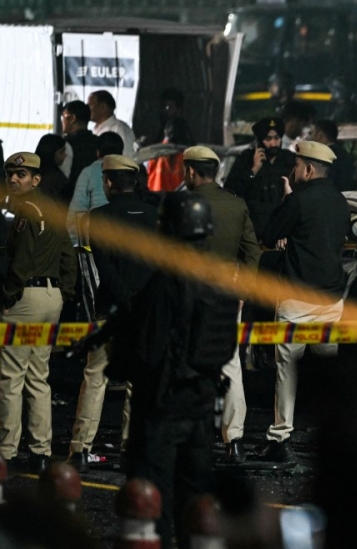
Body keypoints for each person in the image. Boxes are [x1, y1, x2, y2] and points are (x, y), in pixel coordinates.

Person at [111, 191, 238, 549]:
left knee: (153, 501)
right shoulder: (217, 280)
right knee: (195, 502)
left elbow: (147, 351)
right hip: (201, 405)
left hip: (162, 408)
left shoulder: (165, 283)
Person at [256, 141, 351, 462]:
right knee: (329, 372)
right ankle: (336, 435)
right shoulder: (340, 202)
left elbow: (269, 236)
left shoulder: (298, 201)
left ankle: (281, 436)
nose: (292, 171)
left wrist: (285, 200)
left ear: (308, 169)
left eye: (296, 166)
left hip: (297, 298)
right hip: (331, 299)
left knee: (287, 369)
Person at [67, 154, 158, 473]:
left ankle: (81, 448)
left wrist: (122, 300)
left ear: (107, 183)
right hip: (145, 310)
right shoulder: (153, 215)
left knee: (95, 377)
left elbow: (102, 265)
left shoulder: (100, 217)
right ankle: (132, 446)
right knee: (139, 381)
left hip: (111, 310)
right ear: (133, 181)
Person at [182, 146, 260, 464]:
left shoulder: (185, 204)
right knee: (230, 366)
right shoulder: (236, 204)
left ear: (190, 171)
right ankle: (235, 440)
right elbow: (253, 252)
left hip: (190, 291)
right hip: (228, 292)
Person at [1, 152, 77, 474]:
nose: (15, 179)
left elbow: (21, 262)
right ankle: (41, 450)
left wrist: (6, 297)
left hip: (26, 297)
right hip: (51, 296)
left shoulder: (25, 210)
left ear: (36, 179)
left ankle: (6, 451)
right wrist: (65, 293)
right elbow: (68, 257)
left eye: (22, 174)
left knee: (11, 377)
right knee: (38, 376)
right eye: (11, 174)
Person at [223, 117, 297, 236]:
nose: (273, 143)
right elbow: (231, 191)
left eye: (277, 138)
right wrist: (253, 170)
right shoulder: (246, 160)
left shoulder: (289, 161)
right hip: (252, 231)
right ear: (259, 141)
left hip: (280, 232)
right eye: (268, 139)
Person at [66, 132, 124, 246]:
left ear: (97, 152)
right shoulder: (128, 173)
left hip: (96, 240)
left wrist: (75, 244)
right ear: (121, 153)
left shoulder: (88, 172)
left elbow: (76, 211)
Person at [146, 88, 195, 192]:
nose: (165, 110)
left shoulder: (181, 132)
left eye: (169, 107)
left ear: (179, 110)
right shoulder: (161, 131)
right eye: (163, 107)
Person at [309, 119, 357, 191]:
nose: (308, 138)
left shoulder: (321, 156)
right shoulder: (344, 154)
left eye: (311, 133)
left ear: (320, 135)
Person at [60, 100, 99, 187]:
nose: (62, 121)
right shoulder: (98, 141)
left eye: (63, 117)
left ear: (72, 118)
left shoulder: (65, 145)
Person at [88, 90, 136, 159]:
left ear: (102, 107)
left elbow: (126, 158)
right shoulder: (95, 129)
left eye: (90, 105)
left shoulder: (120, 129)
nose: (87, 109)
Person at [33, 134, 69, 203]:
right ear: (50, 153)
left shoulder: (30, 173)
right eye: (61, 152)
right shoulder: (55, 178)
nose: (65, 155)